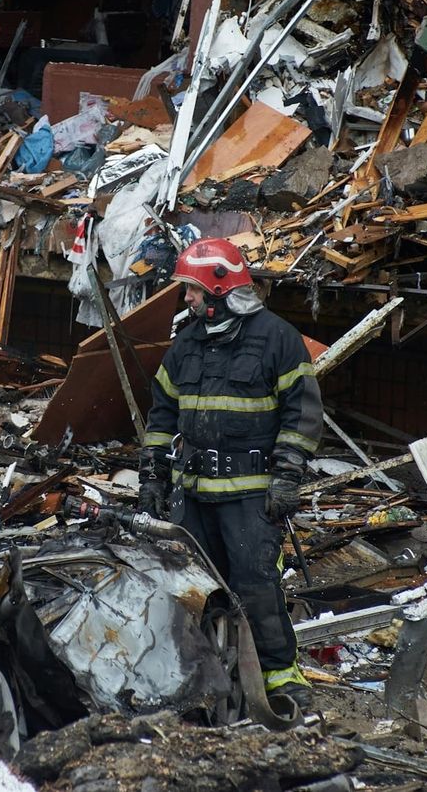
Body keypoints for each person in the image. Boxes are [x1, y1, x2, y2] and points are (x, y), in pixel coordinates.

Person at [138, 237, 322, 709]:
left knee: (256, 585)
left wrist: (287, 476)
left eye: (193, 290)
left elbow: (301, 412)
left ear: (220, 287)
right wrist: (153, 476)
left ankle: (282, 680)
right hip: (193, 495)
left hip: (248, 496)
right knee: (188, 588)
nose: (188, 299)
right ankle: (199, 681)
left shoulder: (277, 338)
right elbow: (161, 414)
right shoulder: (187, 343)